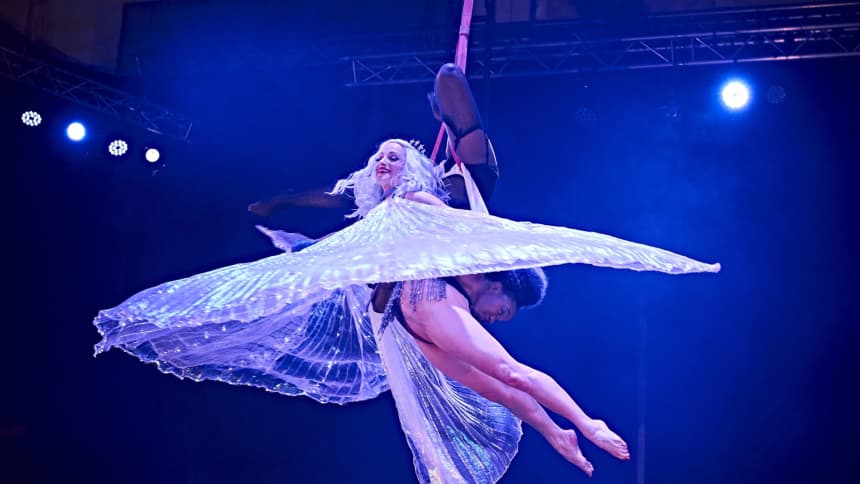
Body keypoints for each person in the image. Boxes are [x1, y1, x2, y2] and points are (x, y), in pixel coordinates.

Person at [95, 139, 719, 483]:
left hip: (431, 301)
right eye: (378, 159)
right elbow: (345, 229)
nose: (384, 162)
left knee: (509, 374)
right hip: (406, 325)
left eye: (395, 155)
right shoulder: (375, 222)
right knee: (495, 391)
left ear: (414, 168)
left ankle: (587, 422)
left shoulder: (419, 199)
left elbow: (464, 225)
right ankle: (556, 433)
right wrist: (290, 214)